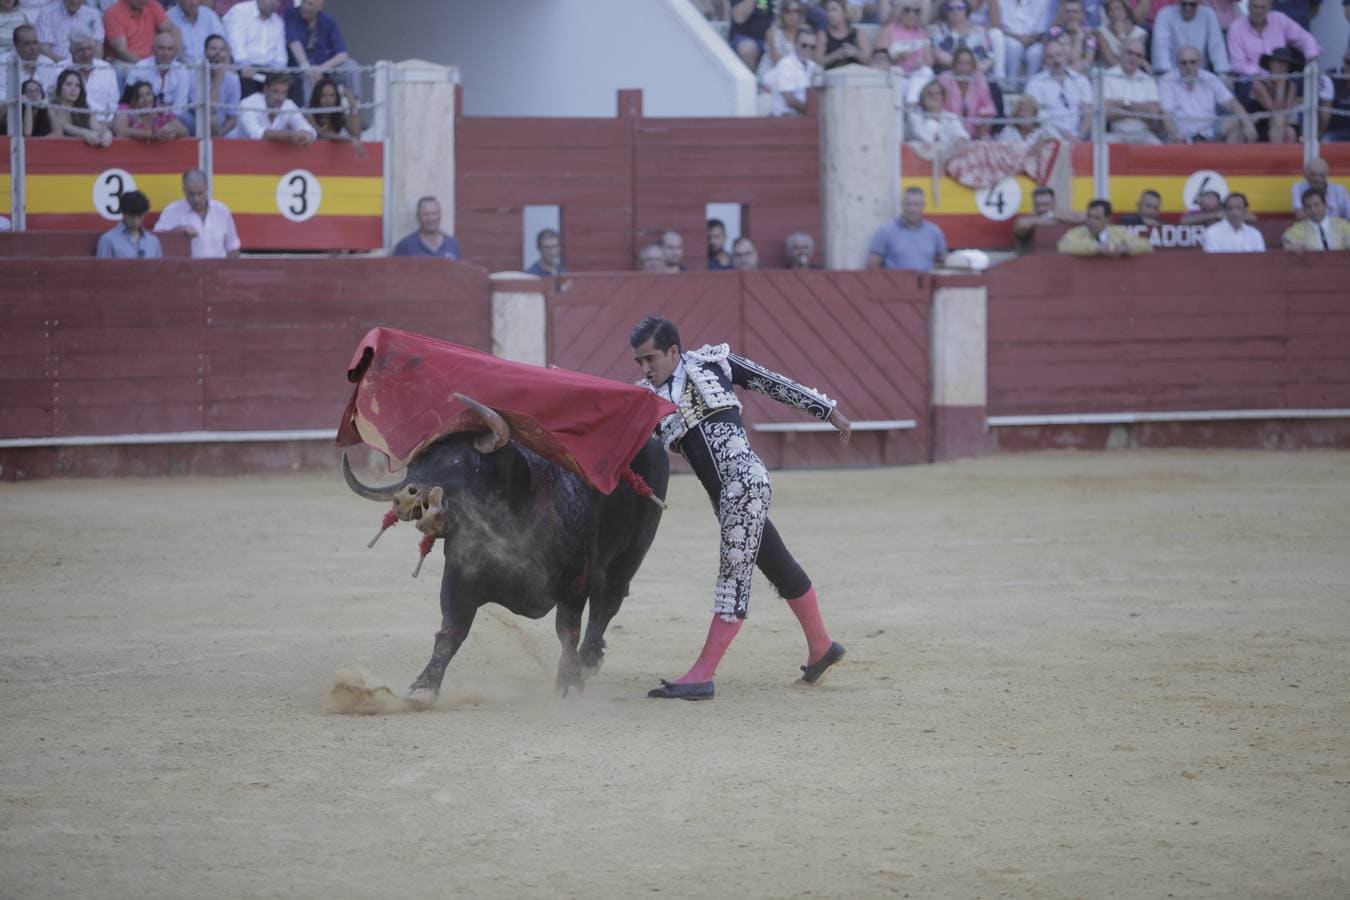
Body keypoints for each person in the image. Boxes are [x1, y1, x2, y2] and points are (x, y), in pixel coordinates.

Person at [629, 314, 851, 700]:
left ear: (673, 351)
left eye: (651, 359)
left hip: (745, 486)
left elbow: (772, 383)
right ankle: (822, 648)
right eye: (640, 362)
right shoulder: (645, 399)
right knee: (779, 565)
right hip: (729, 496)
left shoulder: (714, 362)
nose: (646, 368)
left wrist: (825, 410)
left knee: (733, 580)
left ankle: (702, 674)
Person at [1159, 45, 1259, 143]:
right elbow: (1167, 115)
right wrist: (1175, 136)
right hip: (1184, 135)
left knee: (1238, 122)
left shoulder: (1209, 78)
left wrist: (1248, 124)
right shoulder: (1167, 81)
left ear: (1200, 63)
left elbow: (1231, 103)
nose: (1188, 66)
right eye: (1183, 63)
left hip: (1210, 130)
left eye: (1192, 62)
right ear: (1177, 64)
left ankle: (1227, 159)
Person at [153, 168, 242, 258]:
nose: (196, 199)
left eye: (200, 193)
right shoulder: (172, 211)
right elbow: (157, 241)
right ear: (184, 190)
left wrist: (231, 270)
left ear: (207, 188)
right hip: (186, 270)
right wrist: (178, 231)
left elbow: (232, 247)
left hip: (218, 270)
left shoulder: (222, 211)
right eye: (191, 194)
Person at [284, 0, 355, 106]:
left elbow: (342, 55)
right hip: (299, 71)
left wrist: (321, 68)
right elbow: (294, 43)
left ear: (321, 6)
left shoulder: (328, 22)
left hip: (323, 70)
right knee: (308, 78)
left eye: (310, 3)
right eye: (303, 2)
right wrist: (307, 68)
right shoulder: (291, 14)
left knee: (351, 65)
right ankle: (309, 118)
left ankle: (354, 106)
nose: (305, 7)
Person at [1227, 0, 1320, 80]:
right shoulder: (1235, 28)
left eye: (1262, 7)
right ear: (1248, 7)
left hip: (1281, 76)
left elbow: (1305, 38)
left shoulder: (1279, 19)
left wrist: (1311, 58)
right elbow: (1238, 65)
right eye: (1254, 7)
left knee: (1317, 83)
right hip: (1252, 79)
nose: (1258, 11)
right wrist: (1267, 72)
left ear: (1269, 8)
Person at [1025, 38, 1094, 141]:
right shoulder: (1035, 83)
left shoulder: (1081, 80)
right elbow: (1037, 118)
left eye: (1059, 55)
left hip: (1079, 137)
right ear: (1044, 61)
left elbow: (1088, 112)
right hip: (1048, 137)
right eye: (1051, 57)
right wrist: (1065, 135)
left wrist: (1080, 136)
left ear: (1065, 56)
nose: (1056, 60)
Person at [1102, 37, 1168, 144]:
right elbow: (1105, 113)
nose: (1133, 58)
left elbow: (1154, 112)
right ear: (1121, 53)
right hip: (1115, 134)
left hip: (1144, 134)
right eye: (1130, 53)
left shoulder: (1148, 80)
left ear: (1142, 60)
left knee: (1158, 146)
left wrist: (1123, 104)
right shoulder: (1107, 77)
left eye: (1138, 55)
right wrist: (1140, 111)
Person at [126, 30, 194, 133]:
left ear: (175, 52)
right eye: (161, 48)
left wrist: (163, 119)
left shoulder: (182, 71)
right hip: (142, 116)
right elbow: (128, 101)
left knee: (188, 120)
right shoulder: (140, 68)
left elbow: (180, 109)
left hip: (171, 119)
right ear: (153, 50)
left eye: (170, 49)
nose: (165, 53)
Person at [866, 186, 948, 271]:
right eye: (908, 204)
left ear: (923, 206)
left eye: (916, 204)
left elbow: (943, 263)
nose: (912, 209)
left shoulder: (934, 232)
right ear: (902, 205)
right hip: (897, 284)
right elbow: (872, 266)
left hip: (926, 284)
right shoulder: (885, 232)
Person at [231, 70, 315, 142]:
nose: (280, 98)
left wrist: (306, 135)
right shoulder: (248, 104)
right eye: (276, 91)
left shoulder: (288, 104)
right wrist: (290, 135)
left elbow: (310, 131)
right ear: (265, 89)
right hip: (238, 155)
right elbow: (255, 134)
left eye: (284, 93)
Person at [1151, 0, 1229, 76]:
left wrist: (1222, 73)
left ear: (1199, 2)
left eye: (1192, 4)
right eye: (1184, 4)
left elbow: (1217, 47)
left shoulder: (1209, 14)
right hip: (1171, 74)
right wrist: (1167, 77)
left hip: (1202, 75)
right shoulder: (1164, 14)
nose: (1188, 8)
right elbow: (1161, 49)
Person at [224, 0, 284, 97]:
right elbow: (236, 44)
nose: (274, 2)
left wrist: (277, 76)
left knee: (286, 84)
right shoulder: (240, 11)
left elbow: (281, 55)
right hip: (242, 69)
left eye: (277, 1)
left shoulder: (278, 21)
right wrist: (246, 67)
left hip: (269, 72)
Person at [1057, 198, 1153, 255]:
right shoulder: (1077, 232)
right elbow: (1063, 246)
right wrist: (1097, 248)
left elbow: (1146, 245)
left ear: (1108, 219)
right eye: (1089, 216)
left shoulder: (1118, 232)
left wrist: (1126, 248)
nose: (1091, 221)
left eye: (1097, 218)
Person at [937, 46, 997, 137]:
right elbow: (940, 108)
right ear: (954, 65)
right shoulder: (945, 78)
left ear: (973, 66)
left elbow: (986, 106)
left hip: (976, 131)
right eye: (959, 63)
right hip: (949, 130)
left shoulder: (979, 78)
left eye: (967, 63)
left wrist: (980, 121)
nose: (963, 67)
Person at [65, 28, 118, 126]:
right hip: (72, 125)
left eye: (89, 48)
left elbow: (113, 104)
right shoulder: (60, 70)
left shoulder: (107, 69)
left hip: (103, 124)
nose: (86, 54)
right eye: (81, 50)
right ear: (71, 51)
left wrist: (106, 124)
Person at [47, 67, 112, 145]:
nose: (73, 89)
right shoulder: (51, 107)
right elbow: (63, 125)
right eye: (69, 84)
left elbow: (96, 126)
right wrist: (85, 133)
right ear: (60, 86)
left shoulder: (84, 109)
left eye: (77, 85)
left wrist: (107, 133)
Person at [1250, 45, 1303, 143]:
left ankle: (1286, 158)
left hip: (1281, 123)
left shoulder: (1291, 86)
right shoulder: (1259, 83)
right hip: (1259, 123)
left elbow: (1287, 112)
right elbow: (1273, 109)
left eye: (1285, 63)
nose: (1281, 66)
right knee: (1278, 120)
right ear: (1270, 63)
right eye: (1278, 61)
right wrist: (1280, 87)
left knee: (1290, 131)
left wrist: (1282, 85)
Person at [763, 25, 819, 116]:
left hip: (805, 117)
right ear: (795, 44)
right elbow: (790, 100)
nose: (808, 50)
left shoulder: (814, 67)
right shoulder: (786, 65)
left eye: (812, 47)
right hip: (784, 120)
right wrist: (811, 111)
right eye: (804, 45)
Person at [1012, 186, 1086, 253]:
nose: (1042, 209)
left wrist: (1052, 215)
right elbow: (1022, 225)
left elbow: (1086, 218)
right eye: (1038, 205)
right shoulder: (1027, 220)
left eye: (1046, 204)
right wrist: (1053, 218)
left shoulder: (1061, 216)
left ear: (1054, 203)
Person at [928, 0, 994, 75]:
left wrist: (979, 68)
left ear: (966, 10)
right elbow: (936, 53)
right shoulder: (938, 30)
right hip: (949, 74)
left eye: (959, 8)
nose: (955, 11)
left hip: (978, 75)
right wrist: (963, 66)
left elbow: (989, 57)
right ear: (945, 12)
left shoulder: (979, 31)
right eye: (950, 8)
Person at [999, 0, 1055, 86]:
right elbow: (1001, 27)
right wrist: (1019, 38)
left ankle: (1031, 87)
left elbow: (1042, 30)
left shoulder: (1043, 2)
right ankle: (1011, 84)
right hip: (1011, 38)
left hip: (1034, 40)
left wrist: (1030, 39)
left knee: (1036, 52)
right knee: (1014, 47)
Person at [102, 0, 176, 64]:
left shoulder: (152, 5)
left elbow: (171, 29)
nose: (142, 0)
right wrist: (144, 65)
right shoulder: (113, 13)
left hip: (151, 61)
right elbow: (121, 51)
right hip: (125, 62)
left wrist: (175, 57)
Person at [113, 78, 188, 140]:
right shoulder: (125, 108)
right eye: (140, 96)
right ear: (132, 101)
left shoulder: (159, 108)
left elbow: (183, 130)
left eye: (148, 94)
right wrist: (152, 134)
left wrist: (170, 130)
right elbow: (120, 131)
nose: (146, 100)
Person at [96, 190, 163, 258]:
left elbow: (160, 268)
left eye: (140, 216)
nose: (135, 221)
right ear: (123, 213)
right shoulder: (107, 240)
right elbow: (102, 268)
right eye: (131, 216)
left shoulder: (153, 241)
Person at [305, 75, 362, 154]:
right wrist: (347, 138)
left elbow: (356, 135)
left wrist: (353, 108)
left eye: (332, 95)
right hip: (310, 154)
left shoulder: (339, 114)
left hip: (331, 157)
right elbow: (321, 134)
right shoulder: (310, 114)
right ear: (317, 97)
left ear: (337, 97)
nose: (328, 100)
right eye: (323, 96)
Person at [907, 78, 970, 149]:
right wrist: (934, 117)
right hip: (923, 155)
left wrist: (960, 139)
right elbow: (925, 139)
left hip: (948, 154)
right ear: (923, 97)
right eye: (929, 93)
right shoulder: (915, 115)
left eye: (937, 93)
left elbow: (961, 134)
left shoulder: (950, 116)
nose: (934, 97)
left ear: (943, 97)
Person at [392, 196, 461, 259]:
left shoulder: (452, 245)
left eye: (434, 213)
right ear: (418, 217)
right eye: (426, 214)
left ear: (440, 215)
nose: (431, 218)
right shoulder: (405, 246)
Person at [34, 0, 103, 62]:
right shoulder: (47, 13)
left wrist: (91, 66)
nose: (74, 1)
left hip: (86, 64)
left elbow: (98, 46)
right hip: (56, 65)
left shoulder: (93, 14)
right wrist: (66, 65)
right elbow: (44, 48)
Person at [1281, 188, 1350, 249]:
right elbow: (1291, 253)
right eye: (1308, 207)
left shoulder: (1343, 225)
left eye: (1316, 205)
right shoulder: (1296, 231)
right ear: (1304, 209)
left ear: (1325, 205)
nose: (1313, 210)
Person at [1044, 0, 1099, 75]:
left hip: (1080, 75)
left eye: (1075, 12)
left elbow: (1088, 60)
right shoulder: (1054, 32)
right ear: (1063, 14)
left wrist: (1070, 74)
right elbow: (1069, 58)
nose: (1071, 15)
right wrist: (1078, 37)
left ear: (1082, 14)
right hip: (1056, 74)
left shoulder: (1089, 34)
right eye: (1068, 12)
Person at [202, 32, 240, 136]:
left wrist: (219, 137)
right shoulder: (194, 75)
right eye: (213, 49)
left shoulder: (233, 79)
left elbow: (233, 118)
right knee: (211, 119)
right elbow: (208, 110)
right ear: (205, 52)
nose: (218, 53)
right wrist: (218, 80)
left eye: (222, 49)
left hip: (222, 128)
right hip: (197, 121)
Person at [1201, 192, 1266, 252]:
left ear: (1245, 209)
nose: (1234, 212)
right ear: (1224, 210)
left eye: (1238, 208)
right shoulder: (1211, 233)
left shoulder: (1254, 234)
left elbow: (1261, 259)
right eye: (1230, 208)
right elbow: (1212, 261)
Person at [167, 0, 225, 65]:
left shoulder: (209, 15)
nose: (193, 2)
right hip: (180, 69)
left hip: (210, 69)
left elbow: (224, 45)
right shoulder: (169, 18)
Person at [818, 0, 871, 69]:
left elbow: (870, 61)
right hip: (832, 74)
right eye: (828, 10)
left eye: (834, 10)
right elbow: (817, 62)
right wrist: (834, 56)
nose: (829, 14)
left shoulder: (857, 33)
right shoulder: (823, 34)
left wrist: (855, 53)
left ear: (845, 12)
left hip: (855, 74)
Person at [760, 0, 806, 80]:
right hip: (772, 73)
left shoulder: (805, 34)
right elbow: (778, 61)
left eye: (796, 11)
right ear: (782, 14)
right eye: (787, 11)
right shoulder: (772, 33)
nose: (792, 16)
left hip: (796, 76)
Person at [1097, 0, 1147, 69]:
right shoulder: (1101, 32)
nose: (1115, 13)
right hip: (1107, 71)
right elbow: (1111, 61)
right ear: (1107, 14)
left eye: (1118, 8)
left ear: (1126, 11)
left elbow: (1133, 58)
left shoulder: (1140, 33)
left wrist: (1121, 35)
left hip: (1131, 72)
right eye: (1110, 10)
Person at [729, 0, 777, 71]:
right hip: (745, 37)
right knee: (748, 48)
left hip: (773, 37)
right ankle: (751, 81)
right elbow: (739, 18)